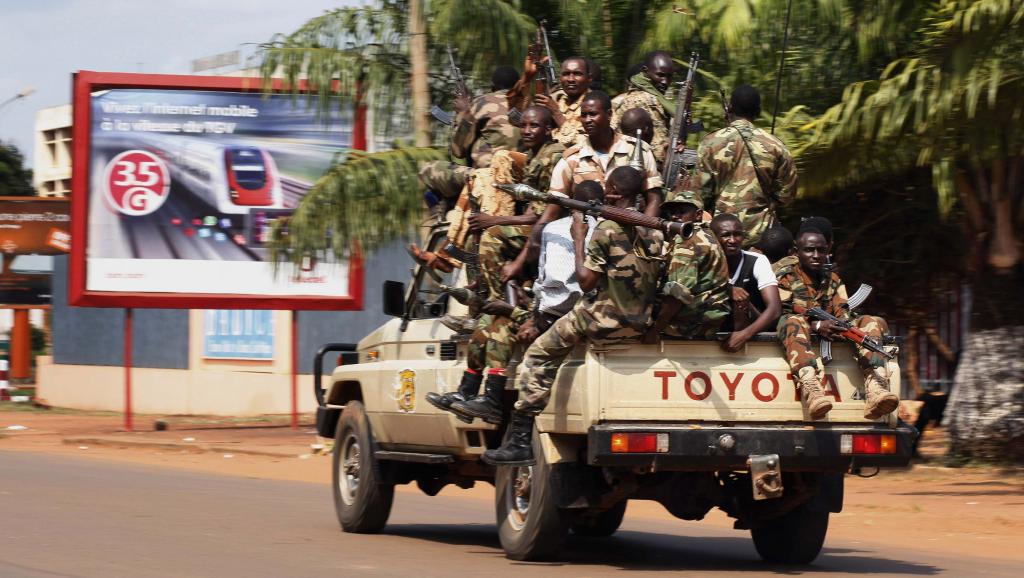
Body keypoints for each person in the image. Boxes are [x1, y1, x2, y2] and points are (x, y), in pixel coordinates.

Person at [482, 167, 663, 465]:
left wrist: (578, 237)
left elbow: (586, 281)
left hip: (601, 320)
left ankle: (519, 441)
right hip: (639, 320)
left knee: (538, 355)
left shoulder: (606, 229)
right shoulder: (653, 230)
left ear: (614, 190)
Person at [451, 181, 603, 424]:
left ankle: (493, 403)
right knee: (490, 320)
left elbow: (558, 287)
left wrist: (530, 317)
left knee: (499, 325)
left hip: (563, 315)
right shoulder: (608, 230)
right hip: (569, 312)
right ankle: (470, 392)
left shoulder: (557, 229)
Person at [500, 90, 663, 285]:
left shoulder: (638, 150)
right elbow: (552, 208)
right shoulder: (572, 158)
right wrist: (521, 260)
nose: (587, 120)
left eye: (593, 114)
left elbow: (653, 197)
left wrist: (646, 233)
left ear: (609, 115)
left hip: (630, 234)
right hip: (586, 237)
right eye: (584, 115)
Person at [775, 224, 900, 420]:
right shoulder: (786, 277)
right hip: (797, 331)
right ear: (796, 251)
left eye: (821, 250)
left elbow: (843, 312)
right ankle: (812, 390)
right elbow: (778, 313)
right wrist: (816, 325)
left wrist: (842, 326)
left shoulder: (832, 279)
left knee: (867, 320)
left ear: (828, 252)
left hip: (830, 331)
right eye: (809, 250)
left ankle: (876, 385)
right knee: (792, 320)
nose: (816, 255)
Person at [475, 106, 565, 301]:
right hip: (539, 226)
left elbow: (542, 215)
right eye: (523, 125)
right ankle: (488, 290)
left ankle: (497, 304)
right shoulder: (536, 153)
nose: (526, 131)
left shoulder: (552, 157)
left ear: (548, 128)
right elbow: (534, 205)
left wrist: (494, 220)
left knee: (491, 237)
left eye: (533, 126)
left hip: (552, 231)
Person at [694, 85, 797, 248]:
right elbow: (786, 195)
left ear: (729, 108)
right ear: (758, 111)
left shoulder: (710, 143)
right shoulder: (776, 145)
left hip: (720, 236)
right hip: (762, 239)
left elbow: (699, 194)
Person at [418, 65, 522, 201]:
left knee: (428, 169)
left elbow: (457, 150)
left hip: (488, 175)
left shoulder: (482, 102)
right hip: (520, 175)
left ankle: (441, 212)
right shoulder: (529, 104)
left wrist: (463, 112)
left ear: (492, 86)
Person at [644, 189, 731, 343]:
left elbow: (678, 294)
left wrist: (655, 330)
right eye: (672, 212)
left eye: (682, 212)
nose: (675, 216)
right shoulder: (707, 235)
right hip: (709, 318)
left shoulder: (687, 240)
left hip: (690, 324)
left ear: (698, 215)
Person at [709, 213, 782, 351]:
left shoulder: (757, 260)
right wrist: (727, 290)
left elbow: (775, 309)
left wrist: (744, 335)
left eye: (737, 234)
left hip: (750, 327)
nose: (732, 240)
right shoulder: (706, 261)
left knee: (740, 298)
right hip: (712, 326)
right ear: (713, 238)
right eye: (726, 235)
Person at [611, 51, 675, 165]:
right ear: (645, 72)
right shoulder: (648, 100)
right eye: (660, 75)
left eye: (669, 77)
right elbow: (659, 151)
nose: (665, 82)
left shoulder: (632, 96)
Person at [535, 56, 591, 147]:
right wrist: (527, 77)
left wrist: (557, 113)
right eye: (566, 74)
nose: (570, 79)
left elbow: (586, 143)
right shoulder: (555, 100)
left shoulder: (596, 105)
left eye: (577, 74)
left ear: (589, 78)